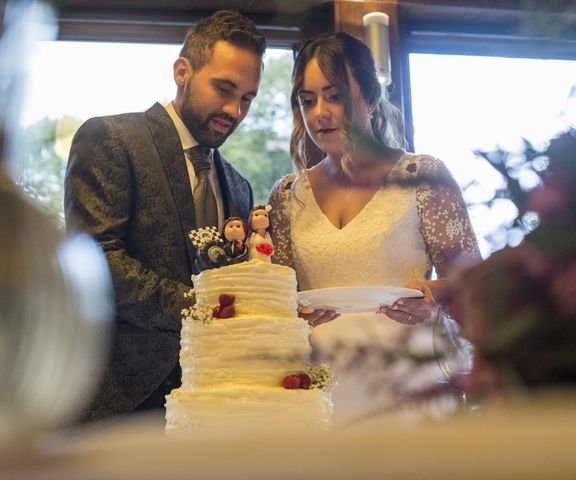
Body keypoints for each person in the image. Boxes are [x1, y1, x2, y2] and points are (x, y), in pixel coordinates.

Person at [65, 10, 266, 424]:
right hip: (121, 398)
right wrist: (199, 309)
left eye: (247, 98)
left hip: (214, 400)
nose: (235, 109)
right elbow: (95, 259)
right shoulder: (111, 139)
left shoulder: (240, 186)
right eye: (224, 88)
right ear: (182, 71)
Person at [268, 32, 481, 422]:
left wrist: (433, 295)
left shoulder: (423, 174)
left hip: (410, 378)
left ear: (368, 96)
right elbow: (279, 301)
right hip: (320, 390)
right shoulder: (286, 196)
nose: (320, 112)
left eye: (334, 96)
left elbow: (473, 282)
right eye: (307, 100)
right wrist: (293, 314)